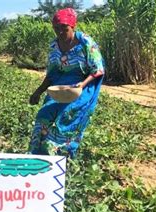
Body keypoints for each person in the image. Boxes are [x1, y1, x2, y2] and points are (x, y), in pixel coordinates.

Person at [29, 8, 105, 158]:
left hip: (83, 86)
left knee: (67, 116)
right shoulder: (54, 46)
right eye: (56, 28)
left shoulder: (85, 42)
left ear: (72, 26)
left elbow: (98, 70)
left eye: (64, 28)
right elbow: (51, 74)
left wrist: (81, 85)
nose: (60, 32)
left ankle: (63, 157)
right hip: (60, 86)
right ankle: (39, 156)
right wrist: (38, 92)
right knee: (43, 115)